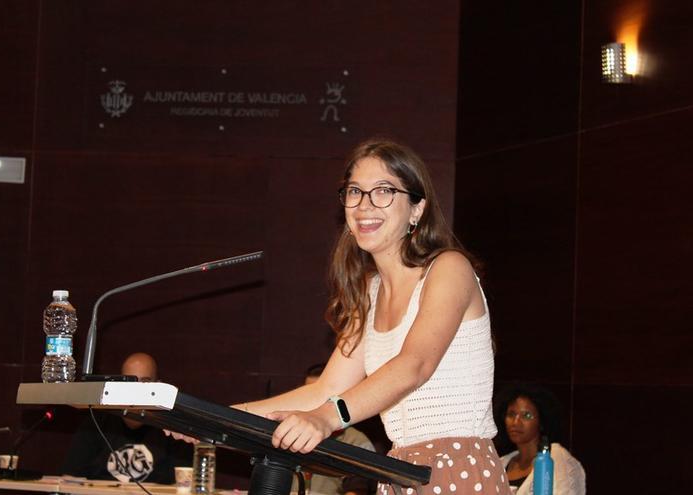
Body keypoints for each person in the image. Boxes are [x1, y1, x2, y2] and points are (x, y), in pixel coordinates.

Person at [172, 138, 509, 494]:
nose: (365, 205)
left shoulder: (448, 268)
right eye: (355, 192)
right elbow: (327, 389)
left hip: (457, 468)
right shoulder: (370, 290)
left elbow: (415, 364)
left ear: (416, 209)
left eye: (383, 191)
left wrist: (326, 418)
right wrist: (213, 418)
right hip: (399, 474)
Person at [60, 353, 193, 483]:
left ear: (157, 385)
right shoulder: (97, 421)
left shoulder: (171, 429)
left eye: (145, 382)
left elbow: (185, 483)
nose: (136, 390)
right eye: (130, 382)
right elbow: (69, 478)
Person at [291, 363, 377, 495]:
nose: (315, 402)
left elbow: (357, 490)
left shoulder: (356, 441)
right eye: (309, 395)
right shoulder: (293, 433)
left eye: (321, 396)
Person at [494, 385, 585, 495]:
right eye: (511, 414)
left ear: (541, 421)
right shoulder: (499, 463)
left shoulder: (556, 458)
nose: (515, 422)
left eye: (526, 415)